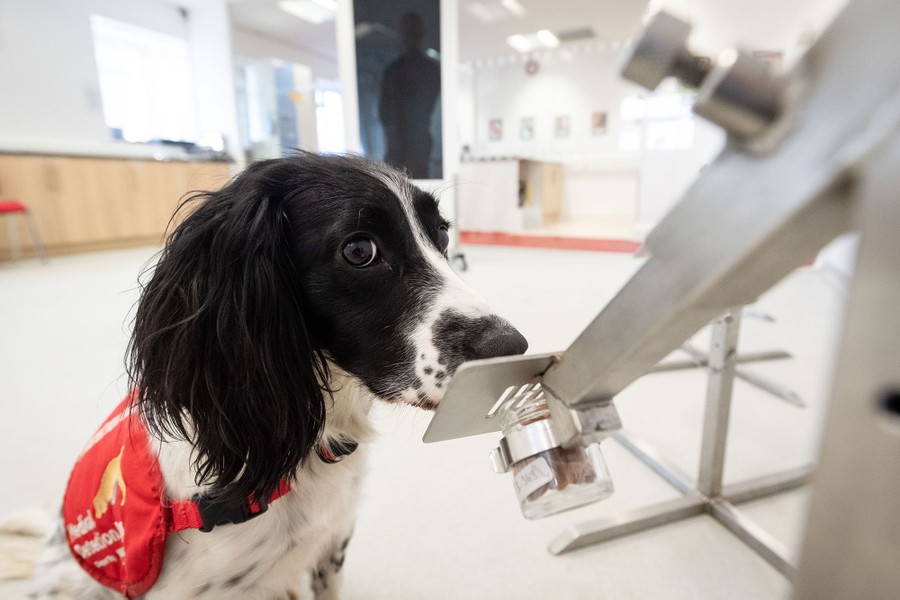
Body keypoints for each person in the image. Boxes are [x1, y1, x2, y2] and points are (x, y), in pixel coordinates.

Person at [378, 11, 440, 179]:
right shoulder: (393, 71)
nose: (410, 37)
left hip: (418, 146)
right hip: (398, 149)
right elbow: (386, 114)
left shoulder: (429, 69)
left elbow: (427, 107)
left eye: (413, 32)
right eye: (407, 32)